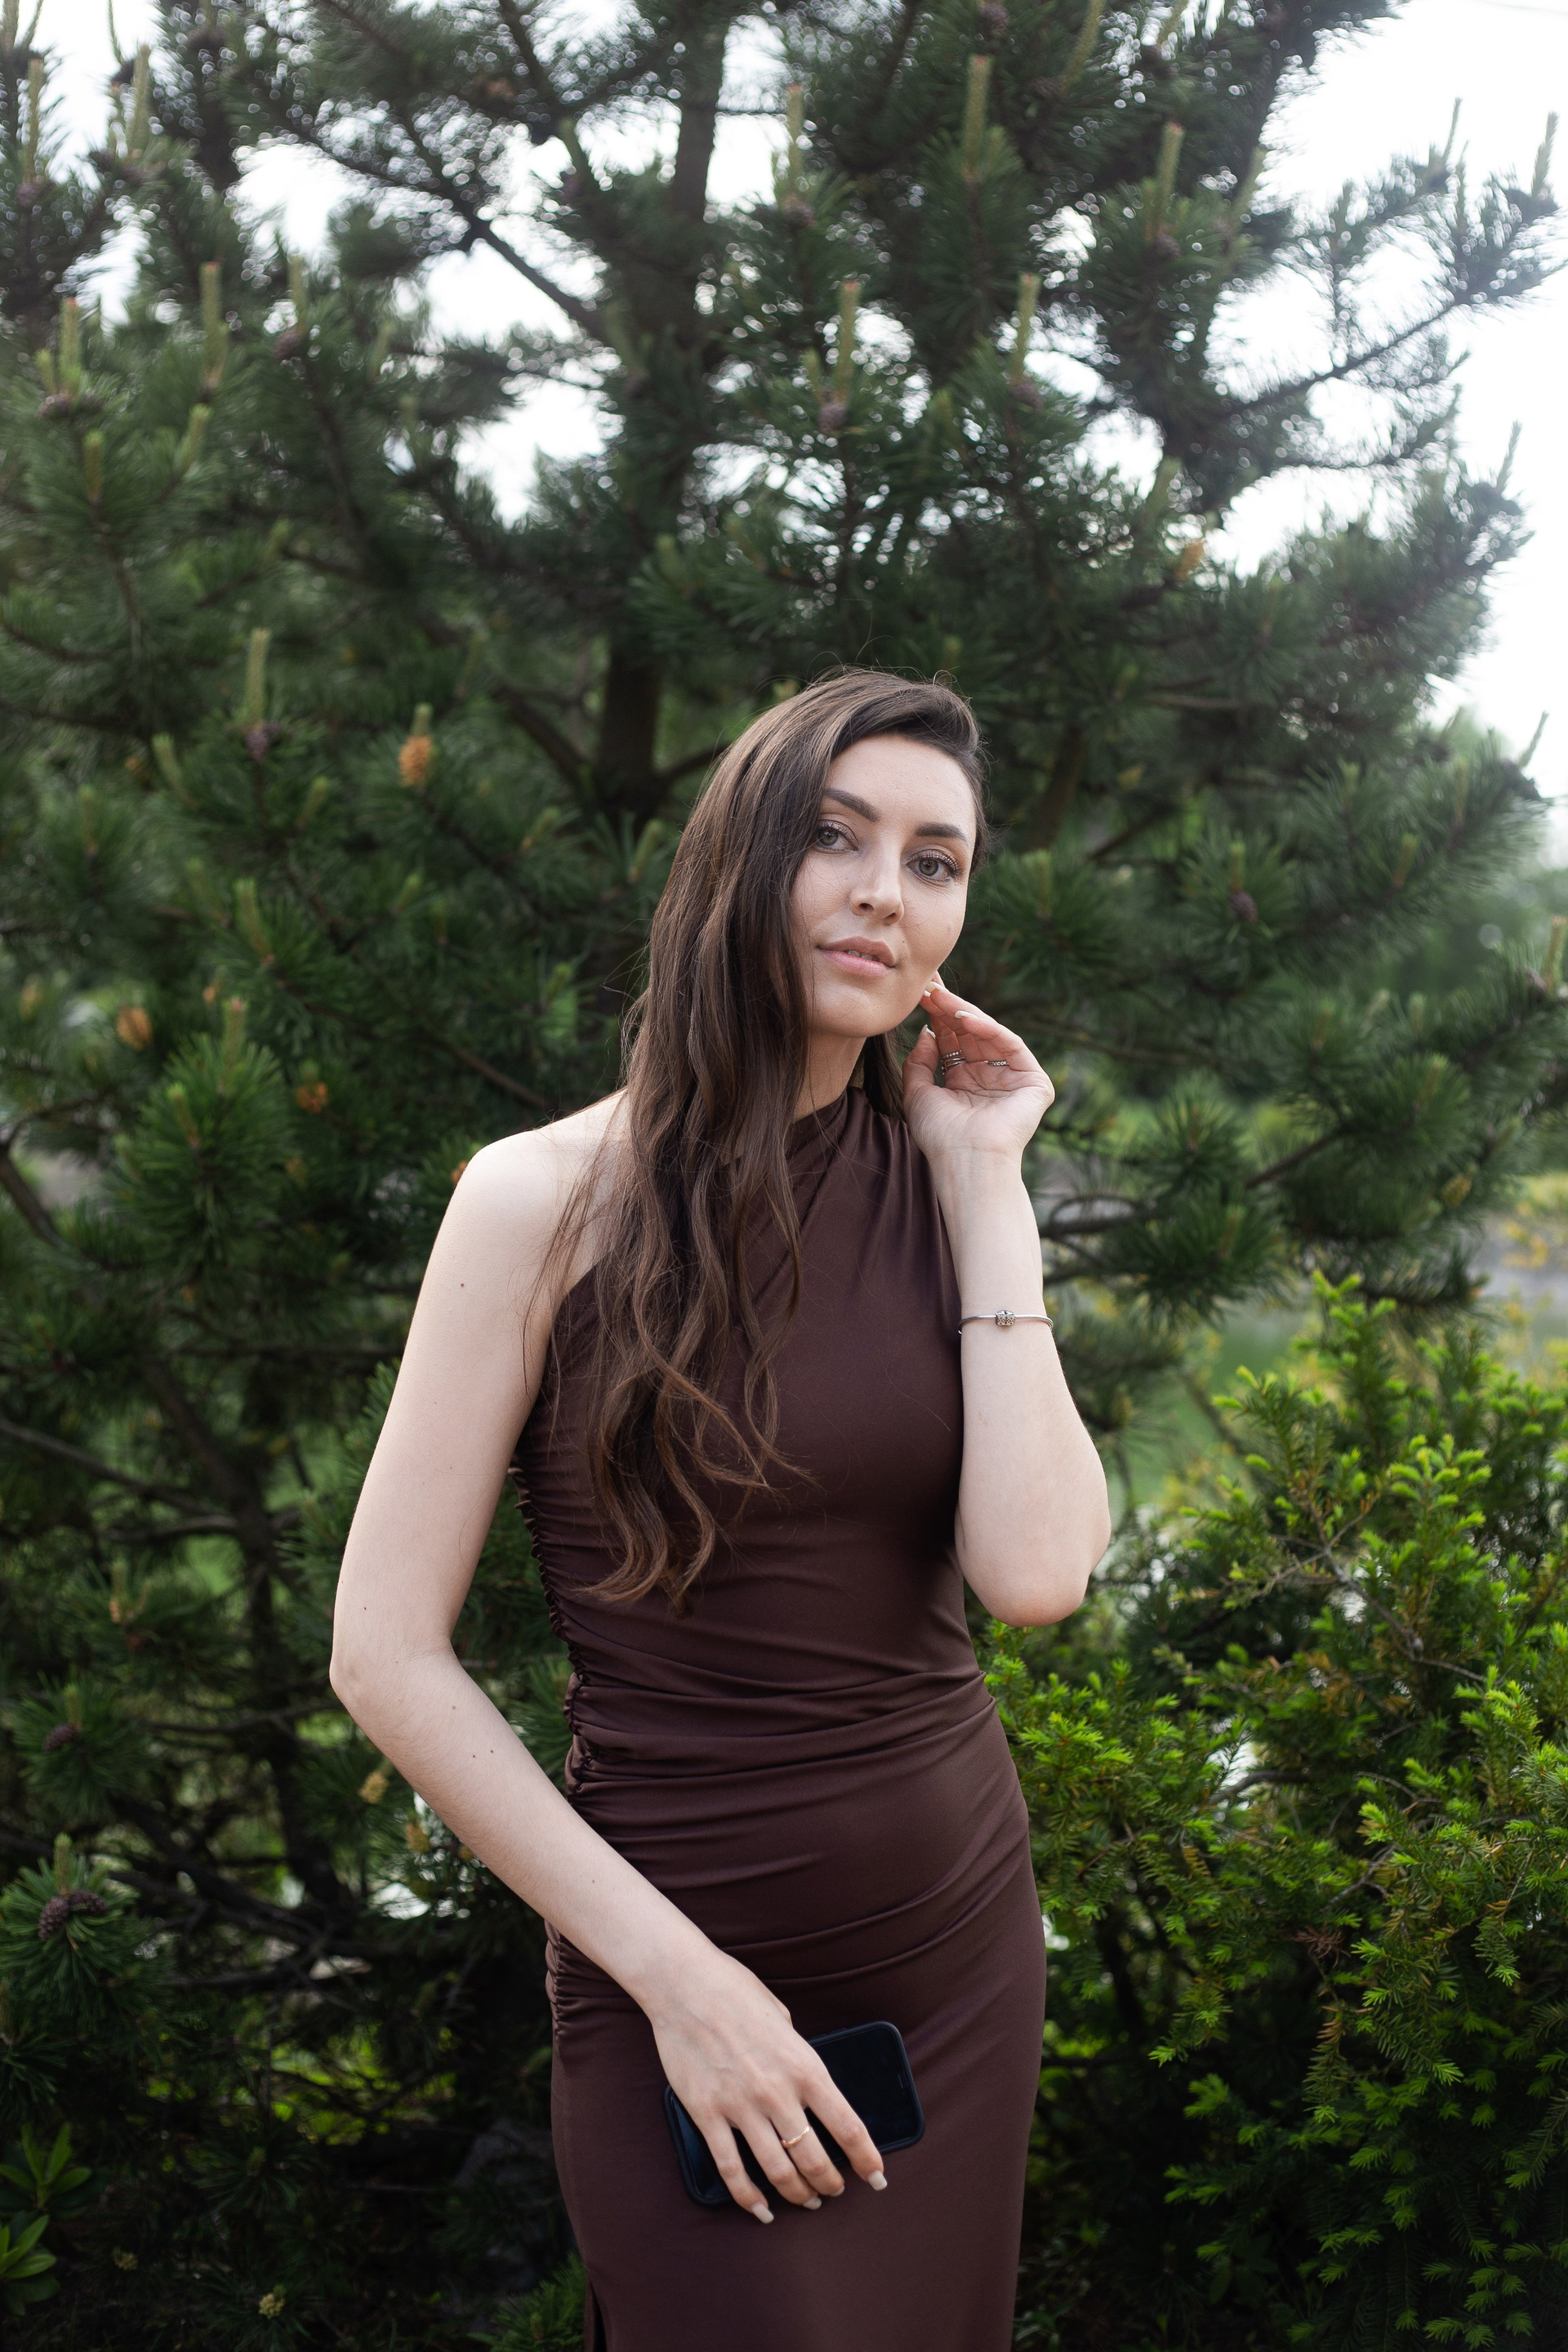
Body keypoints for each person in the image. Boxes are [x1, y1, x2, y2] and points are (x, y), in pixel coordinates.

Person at [330, 669, 1111, 2350]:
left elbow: (1038, 1572)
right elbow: (384, 1654)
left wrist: (989, 1183)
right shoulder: (538, 1204)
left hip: (958, 1957)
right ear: (740, 859)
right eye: (837, 838)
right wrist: (683, 1988)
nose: (884, 893)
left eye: (935, 861)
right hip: (675, 1968)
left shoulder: (945, 1183)